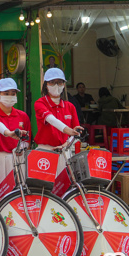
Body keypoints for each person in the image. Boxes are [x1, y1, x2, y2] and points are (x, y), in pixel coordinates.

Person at [34, 67, 83, 196]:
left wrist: (67, 144)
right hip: (45, 152)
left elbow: (76, 133)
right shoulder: (40, 103)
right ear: (46, 85)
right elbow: (50, 119)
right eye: (52, 82)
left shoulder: (69, 106)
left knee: (64, 190)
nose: (56, 86)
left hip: (64, 153)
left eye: (60, 82)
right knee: (43, 190)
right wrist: (66, 129)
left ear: (64, 85)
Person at [0, 78, 30, 203]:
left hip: (19, 159)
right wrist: (8, 133)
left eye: (13, 94)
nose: (10, 97)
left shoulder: (22, 116)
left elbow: (27, 140)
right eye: (6, 93)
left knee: (19, 197)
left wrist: (22, 148)